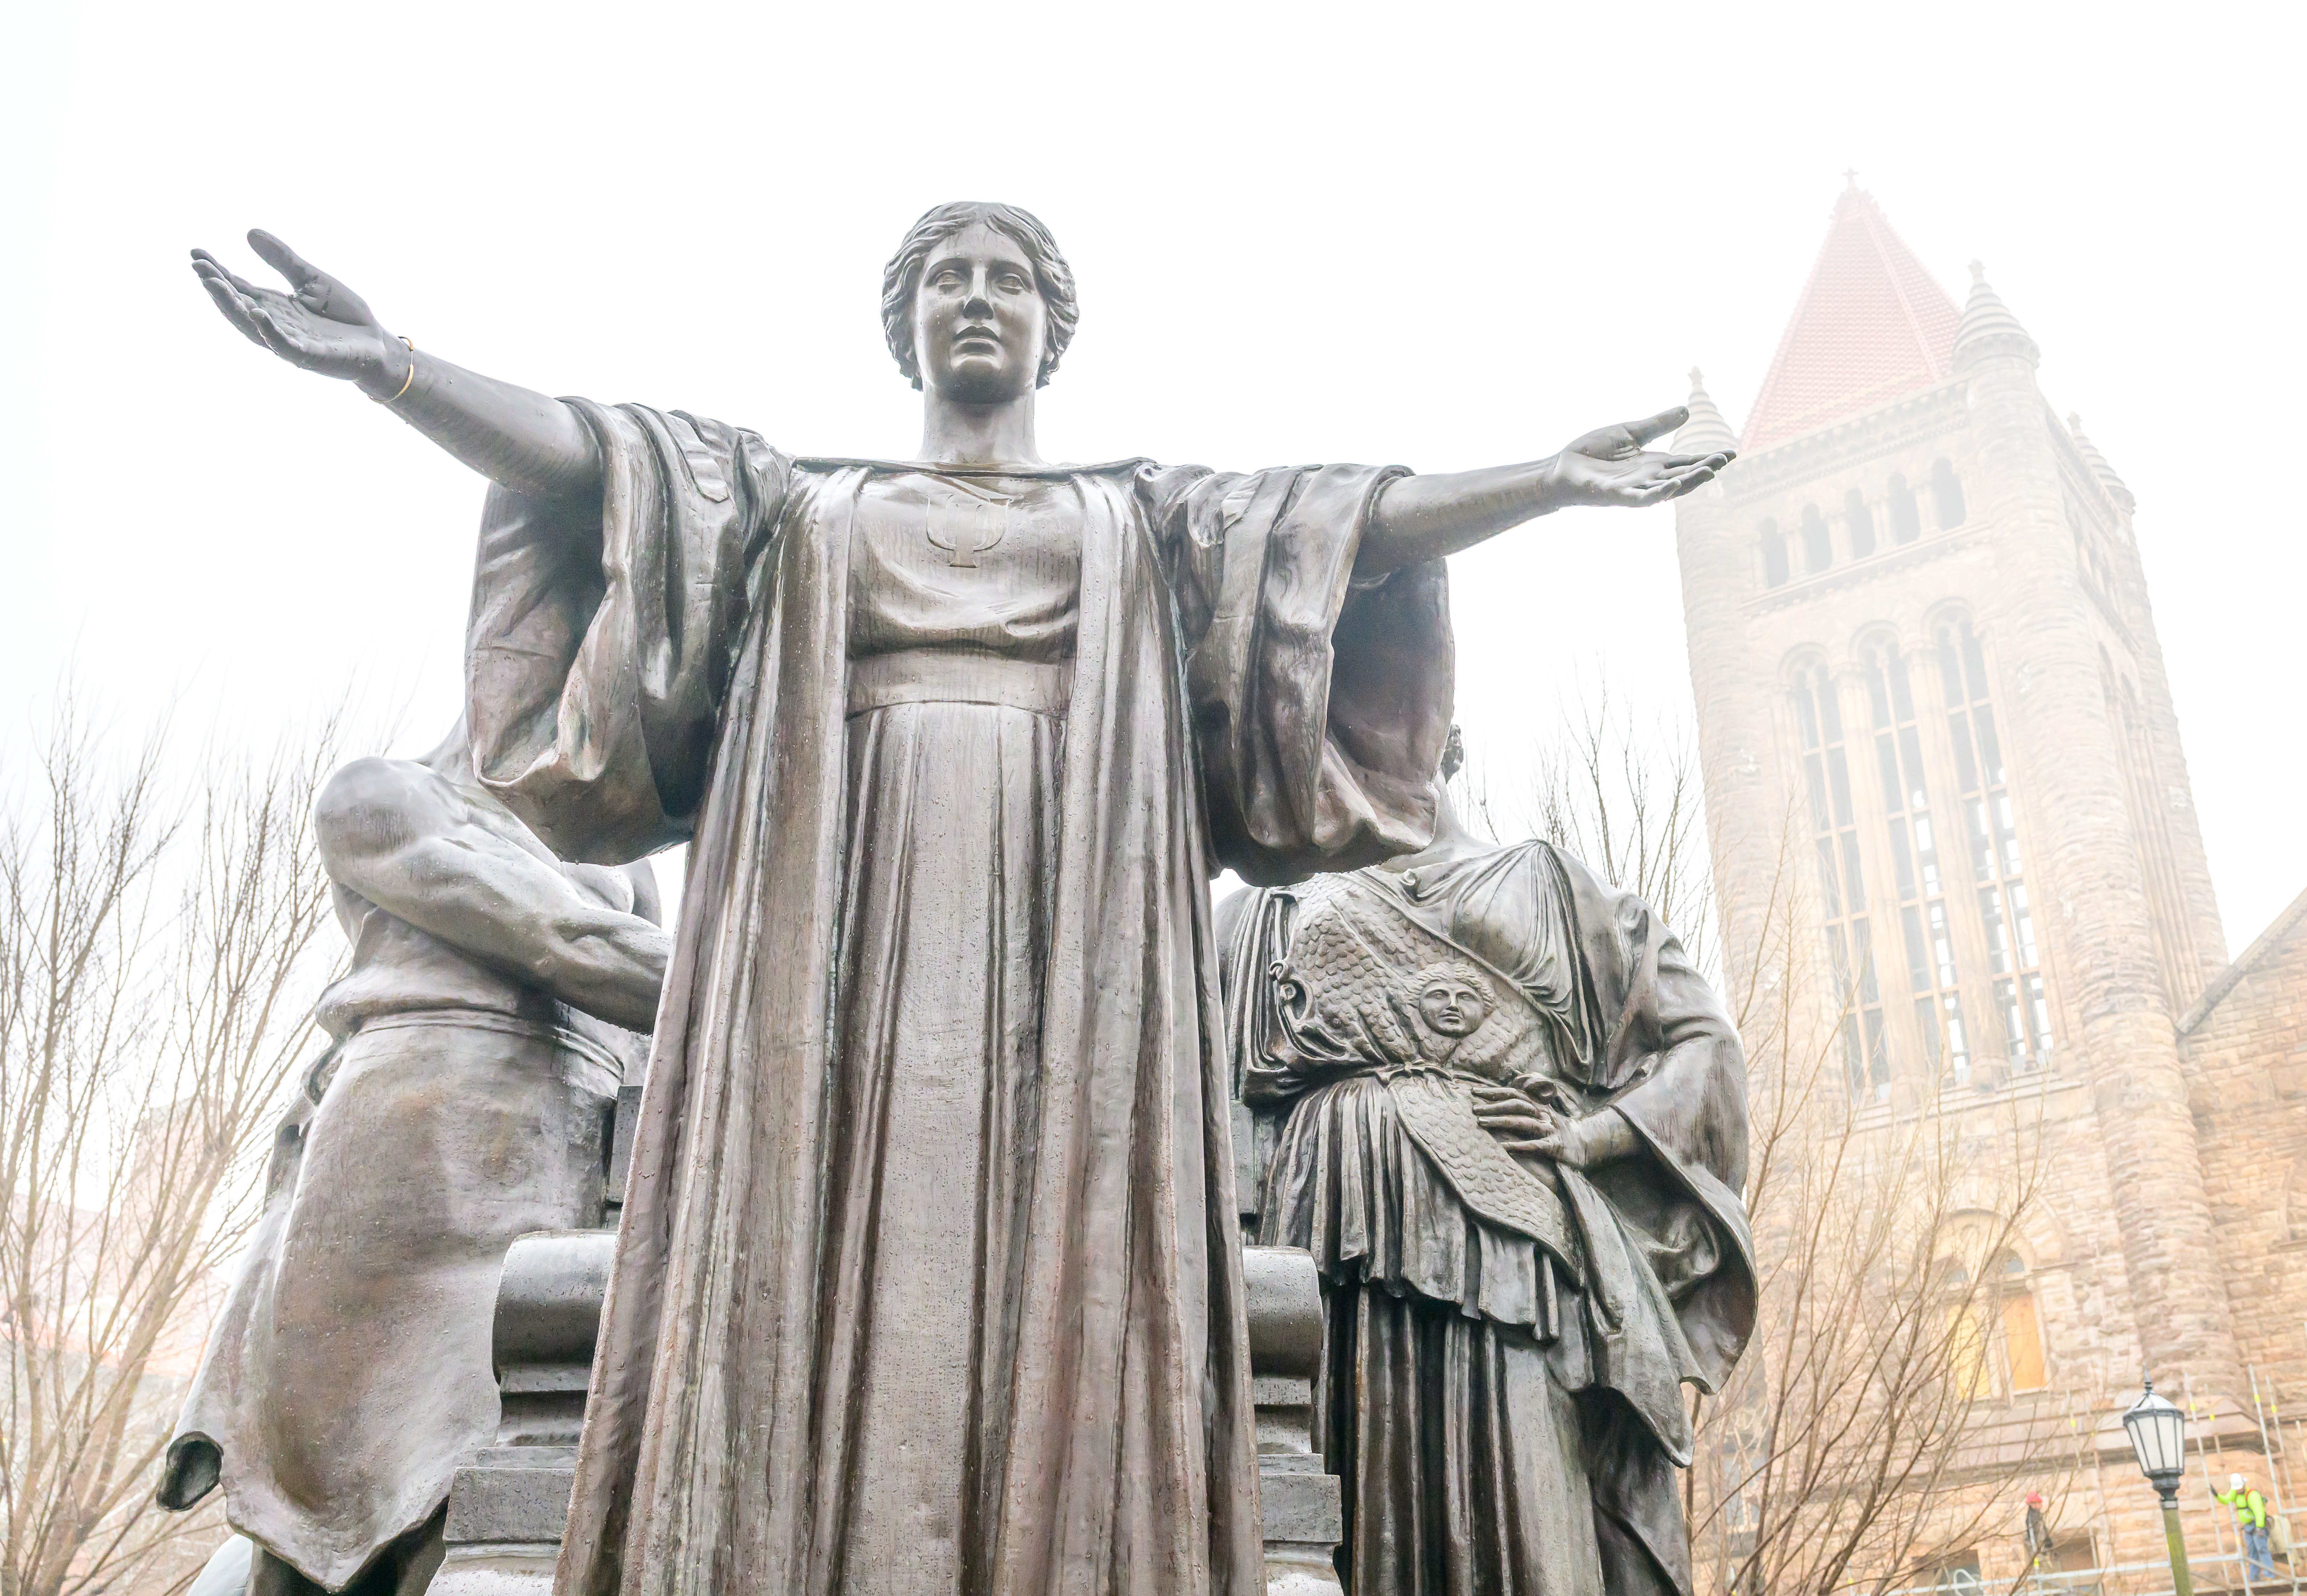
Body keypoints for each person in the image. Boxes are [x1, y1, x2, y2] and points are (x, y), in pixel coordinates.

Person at [190, 205, 1729, 1596]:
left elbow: (1328, 531)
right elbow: (600, 464)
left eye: (1006, 279)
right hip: (837, 936)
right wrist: (395, 369)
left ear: (1052, 326)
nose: (976, 299)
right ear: (903, 319)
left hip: (1072, 955)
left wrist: (1540, 479)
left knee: (1071, 1275)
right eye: (944, 277)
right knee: (806, 1270)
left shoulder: (1138, 522)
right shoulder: (798, 504)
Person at [1224, 727, 1753, 1596]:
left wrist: (1597, 1135)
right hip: (1323, 1259)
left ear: (1450, 739)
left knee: (1527, 1535)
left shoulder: (1549, 887)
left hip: (1510, 1261)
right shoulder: (1269, 907)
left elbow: (1706, 1047)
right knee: (1333, 1544)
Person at [157, 719, 666, 1596]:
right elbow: (559, 938)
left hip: (568, 1162)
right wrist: (757, 976)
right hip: (408, 1153)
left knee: (519, 1457)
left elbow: (646, 1039)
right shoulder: (378, 796)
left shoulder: (624, 859)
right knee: (339, 1482)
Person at [2213, 1473, 2277, 1580]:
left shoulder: (2252, 1495)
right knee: (2252, 1552)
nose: (2238, 1491)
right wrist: (2216, 1495)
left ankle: (2269, 1575)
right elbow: (2226, 1500)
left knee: (2262, 1550)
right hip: (2248, 1527)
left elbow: (2259, 1512)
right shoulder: (2235, 1493)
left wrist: (2260, 1527)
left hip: (2257, 1526)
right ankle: (2254, 1577)